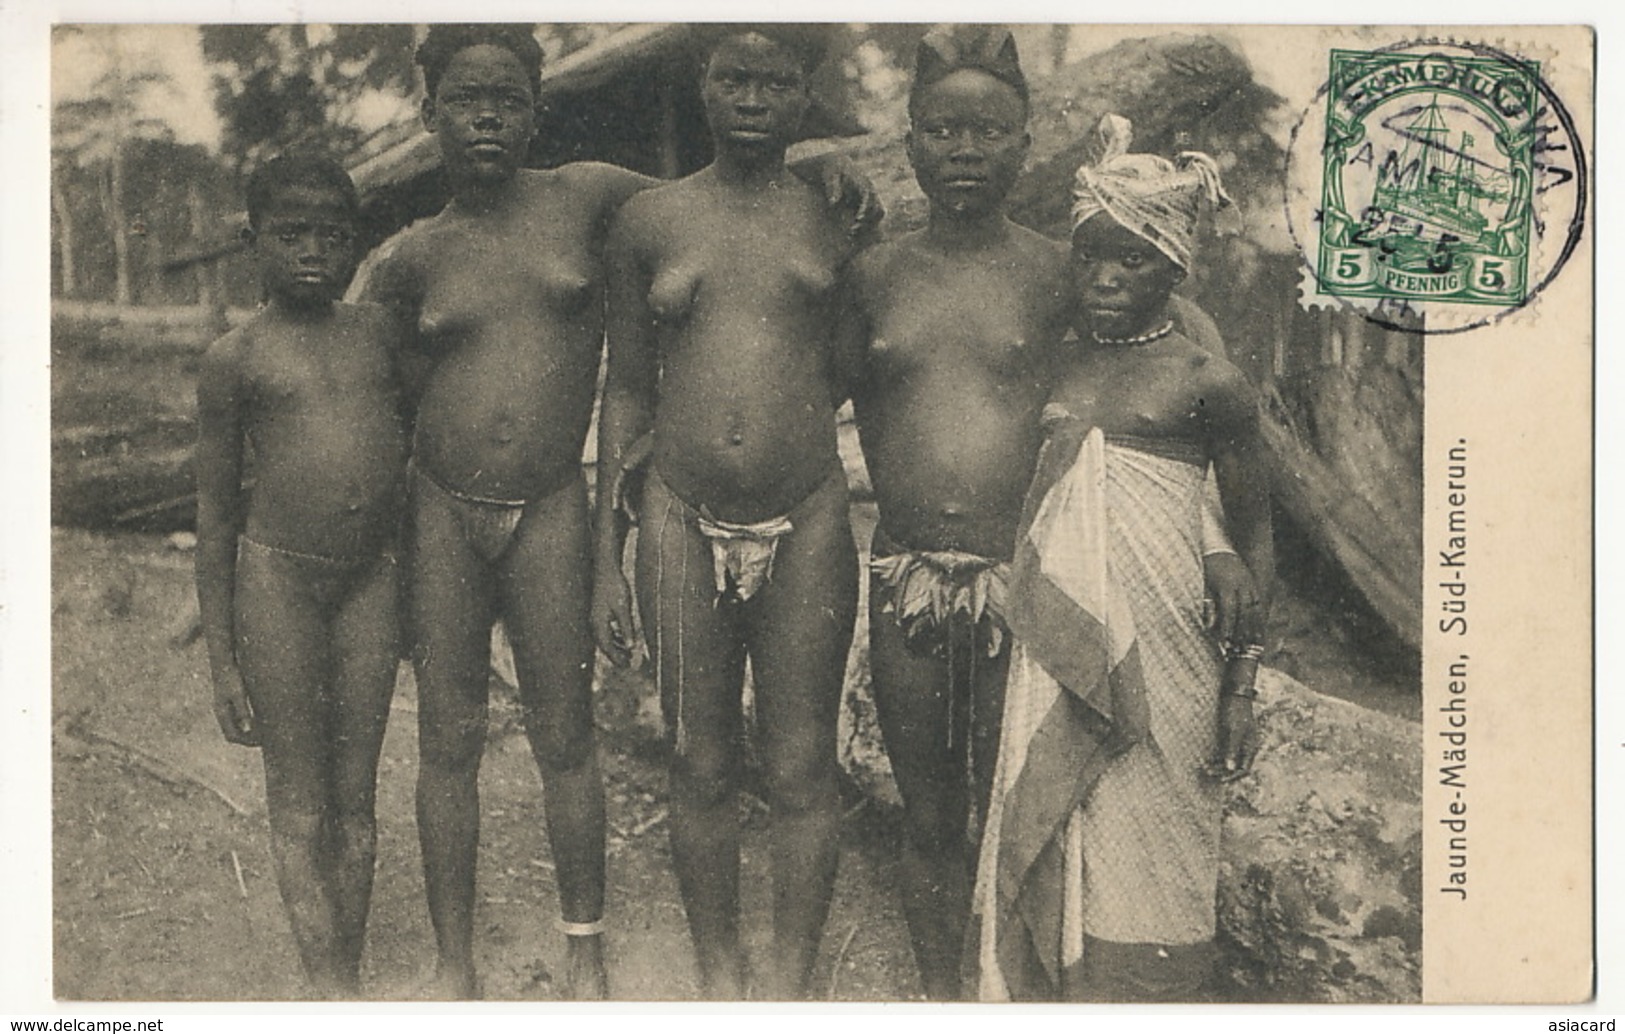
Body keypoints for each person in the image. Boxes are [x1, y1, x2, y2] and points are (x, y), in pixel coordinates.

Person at [356, 24, 875, 1001]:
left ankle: (678, 966)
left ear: (535, 109)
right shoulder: (431, 256)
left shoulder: (612, 196)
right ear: (427, 115)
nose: (484, 118)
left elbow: (759, 240)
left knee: (703, 750)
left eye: (505, 99)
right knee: (491, 741)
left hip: (691, 506)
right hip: (518, 508)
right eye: (462, 100)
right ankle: (486, 964)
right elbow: (391, 398)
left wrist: (830, 158)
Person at [845, 29, 1255, 1000]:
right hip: (904, 568)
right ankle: (941, 994)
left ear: (1028, 144)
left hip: (1022, 584)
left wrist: (1214, 537)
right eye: (939, 129)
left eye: (988, 129)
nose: (963, 149)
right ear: (905, 145)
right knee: (927, 809)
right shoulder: (873, 276)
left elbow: (1178, 385)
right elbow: (809, 393)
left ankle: (1010, 990)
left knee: (1016, 794)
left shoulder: (1061, 273)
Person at [970, 114, 1275, 1002]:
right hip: (1062, 639)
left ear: (1175, 267)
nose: (1104, 277)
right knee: (1068, 812)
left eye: (1133, 259)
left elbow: (1250, 535)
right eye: (1090, 256)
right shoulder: (1058, 368)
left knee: (1163, 821)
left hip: (1171, 646)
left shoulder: (1205, 381)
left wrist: (1243, 684)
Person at [593, 25, 867, 1000]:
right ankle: (718, 978)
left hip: (808, 514)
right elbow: (624, 391)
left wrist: (770, 430)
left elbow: (847, 363)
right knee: (698, 757)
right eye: (733, 77)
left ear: (806, 94)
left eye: (776, 81)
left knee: (800, 763)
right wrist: (603, 555)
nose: (752, 97)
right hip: (673, 510)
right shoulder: (649, 221)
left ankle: (788, 985)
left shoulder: (835, 213)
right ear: (700, 85)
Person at [194, 154, 408, 999]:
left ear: (356, 242)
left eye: (332, 235)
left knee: (355, 800)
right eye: (291, 235)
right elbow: (214, 516)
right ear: (254, 242)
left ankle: (342, 981)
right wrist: (222, 660)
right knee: (300, 796)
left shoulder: (381, 334)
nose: (314, 251)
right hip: (277, 580)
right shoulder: (235, 358)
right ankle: (327, 988)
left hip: (371, 580)